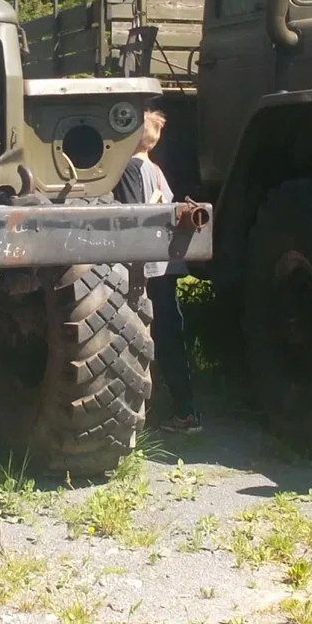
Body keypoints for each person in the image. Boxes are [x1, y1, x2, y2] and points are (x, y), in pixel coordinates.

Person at [113, 108, 200, 432]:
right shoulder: (156, 170)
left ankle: (131, 414)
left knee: (134, 334)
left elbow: (133, 216)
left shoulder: (127, 169)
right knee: (170, 333)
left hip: (144, 267)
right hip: (167, 262)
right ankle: (185, 409)